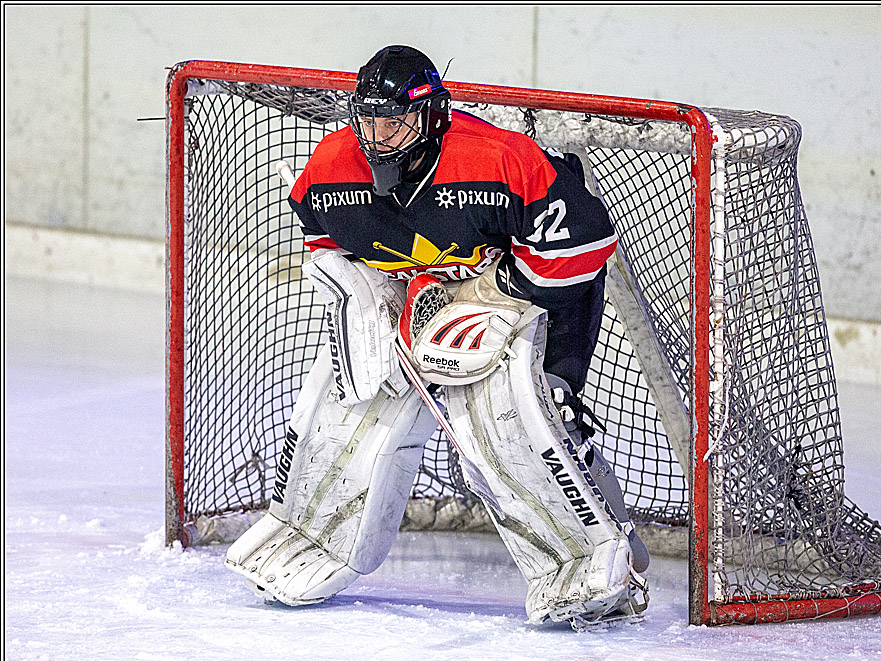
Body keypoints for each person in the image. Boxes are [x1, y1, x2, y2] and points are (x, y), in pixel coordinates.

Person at [225, 45, 649, 631]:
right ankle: (311, 530)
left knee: (521, 418)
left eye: (395, 120)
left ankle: (593, 557)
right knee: (356, 401)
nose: (379, 135)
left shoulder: (498, 160)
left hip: (537, 293)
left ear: (432, 115)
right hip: (417, 299)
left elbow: (583, 243)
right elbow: (325, 240)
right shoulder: (332, 166)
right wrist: (365, 292)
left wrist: (494, 293)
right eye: (368, 118)